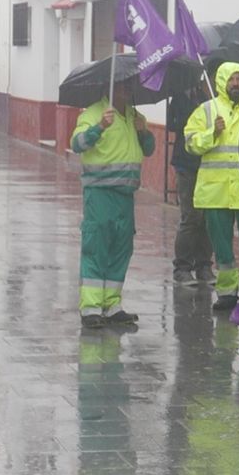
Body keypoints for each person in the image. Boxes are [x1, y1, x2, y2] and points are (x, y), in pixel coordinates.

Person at [71, 78, 155, 329]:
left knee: (121, 248)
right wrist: (99, 127)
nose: (128, 90)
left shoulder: (134, 116)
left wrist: (144, 132)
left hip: (126, 194)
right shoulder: (94, 113)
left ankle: (112, 305)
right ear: (110, 87)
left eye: (130, 86)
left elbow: (149, 149)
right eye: (123, 85)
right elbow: (77, 144)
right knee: (97, 246)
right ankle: (91, 308)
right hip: (100, 192)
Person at [185, 61, 239, 309]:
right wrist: (212, 133)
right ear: (221, 83)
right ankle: (227, 293)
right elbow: (190, 143)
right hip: (216, 191)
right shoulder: (206, 110)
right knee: (222, 248)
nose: (235, 84)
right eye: (231, 79)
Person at [167, 74, 212, 287]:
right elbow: (173, 125)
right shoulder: (180, 97)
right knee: (190, 216)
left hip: (208, 164)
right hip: (186, 164)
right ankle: (182, 268)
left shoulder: (212, 100)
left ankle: (204, 265)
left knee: (207, 217)